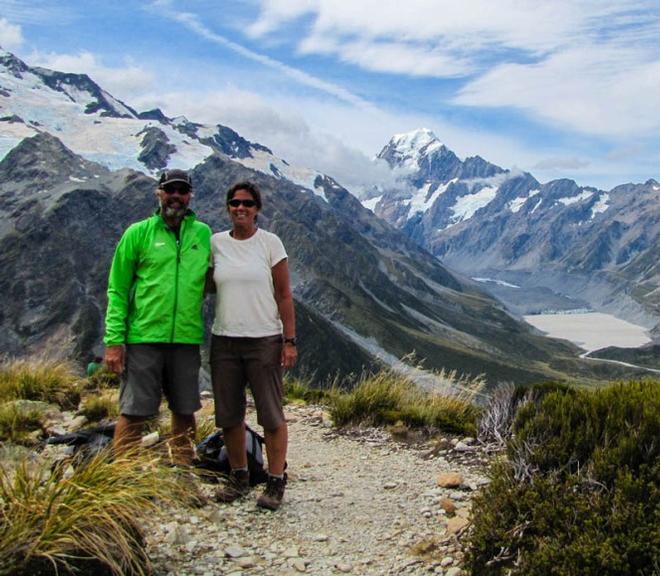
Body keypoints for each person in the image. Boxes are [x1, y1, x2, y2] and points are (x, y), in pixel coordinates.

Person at [103, 168, 211, 466]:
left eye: (182, 191)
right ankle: (123, 480)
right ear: (159, 193)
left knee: (185, 410)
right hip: (144, 338)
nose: (176, 196)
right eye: (170, 189)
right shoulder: (137, 234)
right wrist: (114, 341)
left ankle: (184, 474)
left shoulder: (202, 234)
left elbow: (213, 278)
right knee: (134, 411)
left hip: (186, 338)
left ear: (189, 196)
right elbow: (118, 289)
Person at [210, 180, 297, 510]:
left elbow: (284, 294)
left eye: (247, 203)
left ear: (257, 208)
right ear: (228, 207)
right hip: (225, 339)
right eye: (234, 203)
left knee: (271, 415)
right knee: (229, 415)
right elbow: (204, 281)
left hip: (264, 339)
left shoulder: (270, 244)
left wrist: (289, 340)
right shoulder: (215, 244)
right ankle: (239, 476)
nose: (240, 208)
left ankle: (276, 480)